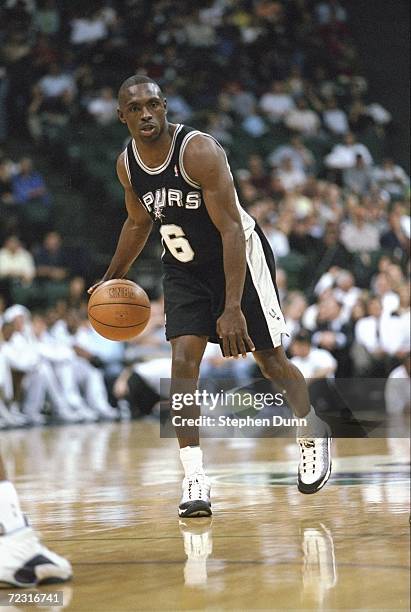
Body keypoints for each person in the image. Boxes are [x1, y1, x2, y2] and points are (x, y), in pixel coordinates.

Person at [89, 75, 332, 518]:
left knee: (270, 361)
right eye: (136, 108)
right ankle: (194, 477)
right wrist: (111, 277)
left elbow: (231, 229)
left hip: (237, 258)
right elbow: (138, 223)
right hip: (184, 269)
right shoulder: (127, 165)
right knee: (182, 362)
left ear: (165, 108)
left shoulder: (198, 151)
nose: (146, 114)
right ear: (121, 116)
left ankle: (312, 429)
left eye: (154, 104)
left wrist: (233, 307)